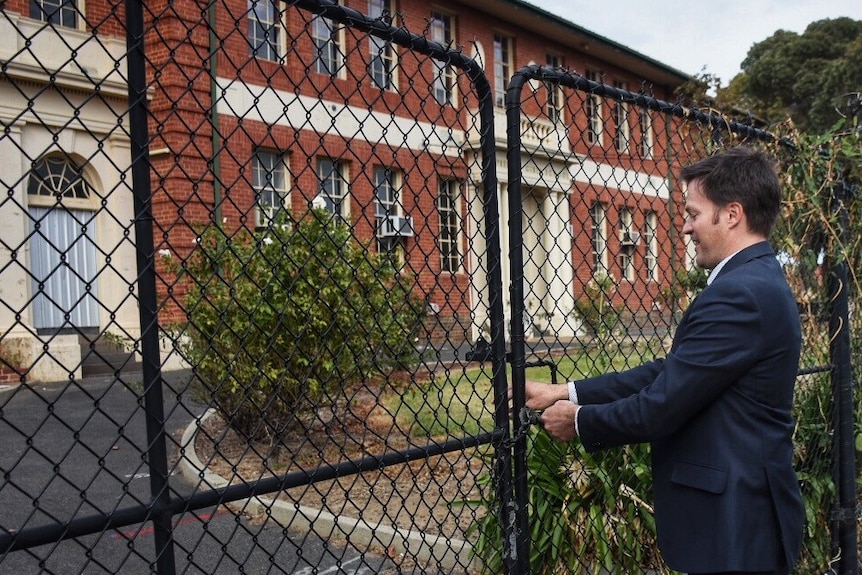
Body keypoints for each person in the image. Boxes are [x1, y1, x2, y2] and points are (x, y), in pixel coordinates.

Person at [519, 146, 804, 575]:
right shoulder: (757, 280)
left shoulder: (738, 293)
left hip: (736, 523)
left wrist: (578, 420)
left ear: (731, 214)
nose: (685, 227)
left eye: (692, 213)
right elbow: (673, 372)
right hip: (746, 516)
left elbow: (662, 405)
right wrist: (567, 390)